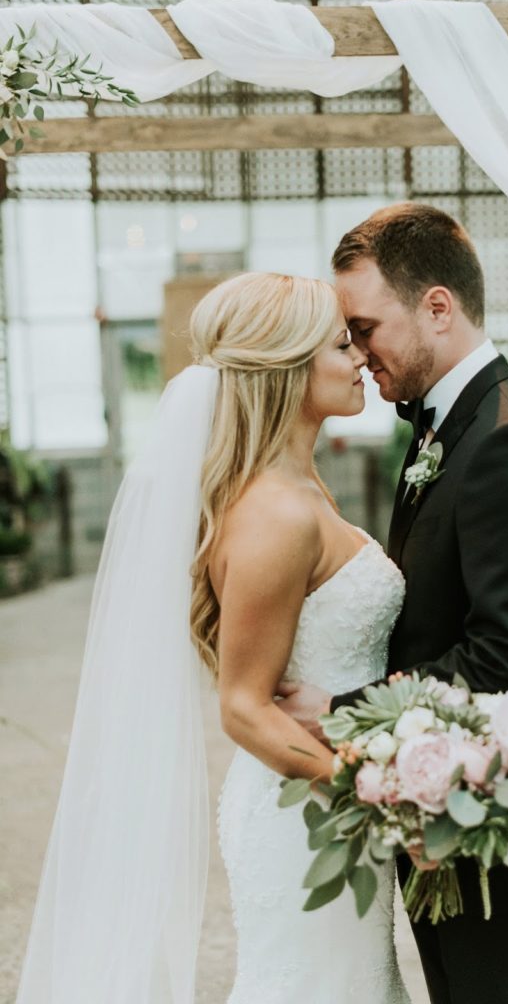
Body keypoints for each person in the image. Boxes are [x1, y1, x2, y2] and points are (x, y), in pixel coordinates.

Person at [16, 272, 411, 1004]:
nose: (359, 355)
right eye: (339, 343)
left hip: (330, 801)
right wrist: (376, 791)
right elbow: (243, 706)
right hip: (307, 815)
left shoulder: (304, 486)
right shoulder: (275, 515)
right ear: (287, 368)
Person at [277, 203, 508, 1004]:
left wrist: (344, 708)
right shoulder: (443, 429)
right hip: (451, 819)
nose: (357, 353)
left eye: (364, 327)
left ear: (437, 306)